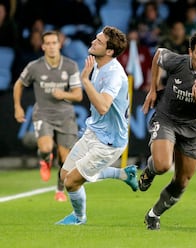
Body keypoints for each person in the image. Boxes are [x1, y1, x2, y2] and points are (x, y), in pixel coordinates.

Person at [139, 31, 196, 230]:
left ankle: (154, 214)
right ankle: (150, 170)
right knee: (162, 165)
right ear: (190, 52)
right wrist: (153, 89)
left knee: (182, 181)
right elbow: (158, 54)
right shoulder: (178, 62)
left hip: (193, 127)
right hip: (167, 118)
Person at [55, 26, 138, 225]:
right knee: (65, 174)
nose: (93, 42)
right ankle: (122, 174)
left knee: (71, 182)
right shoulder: (98, 64)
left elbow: (102, 107)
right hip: (94, 132)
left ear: (109, 51)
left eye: (99, 41)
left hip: (109, 142)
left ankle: (79, 218)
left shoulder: (114, 74)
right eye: (96, 38)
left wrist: (85, 79)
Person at [13, 30, 83, 202]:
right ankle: (45, 159)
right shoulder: (34, 66)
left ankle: (59, 190)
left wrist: (63, 94)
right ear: (43, 46)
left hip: (65, 116)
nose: (52, 47)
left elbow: (78, 95)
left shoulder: (70, 66)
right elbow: (19, 84)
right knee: (45, 147)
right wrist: (17, 107)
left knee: (65, 159)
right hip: (43, 113)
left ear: (59, 45)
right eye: (48, 44)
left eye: (54, 43)